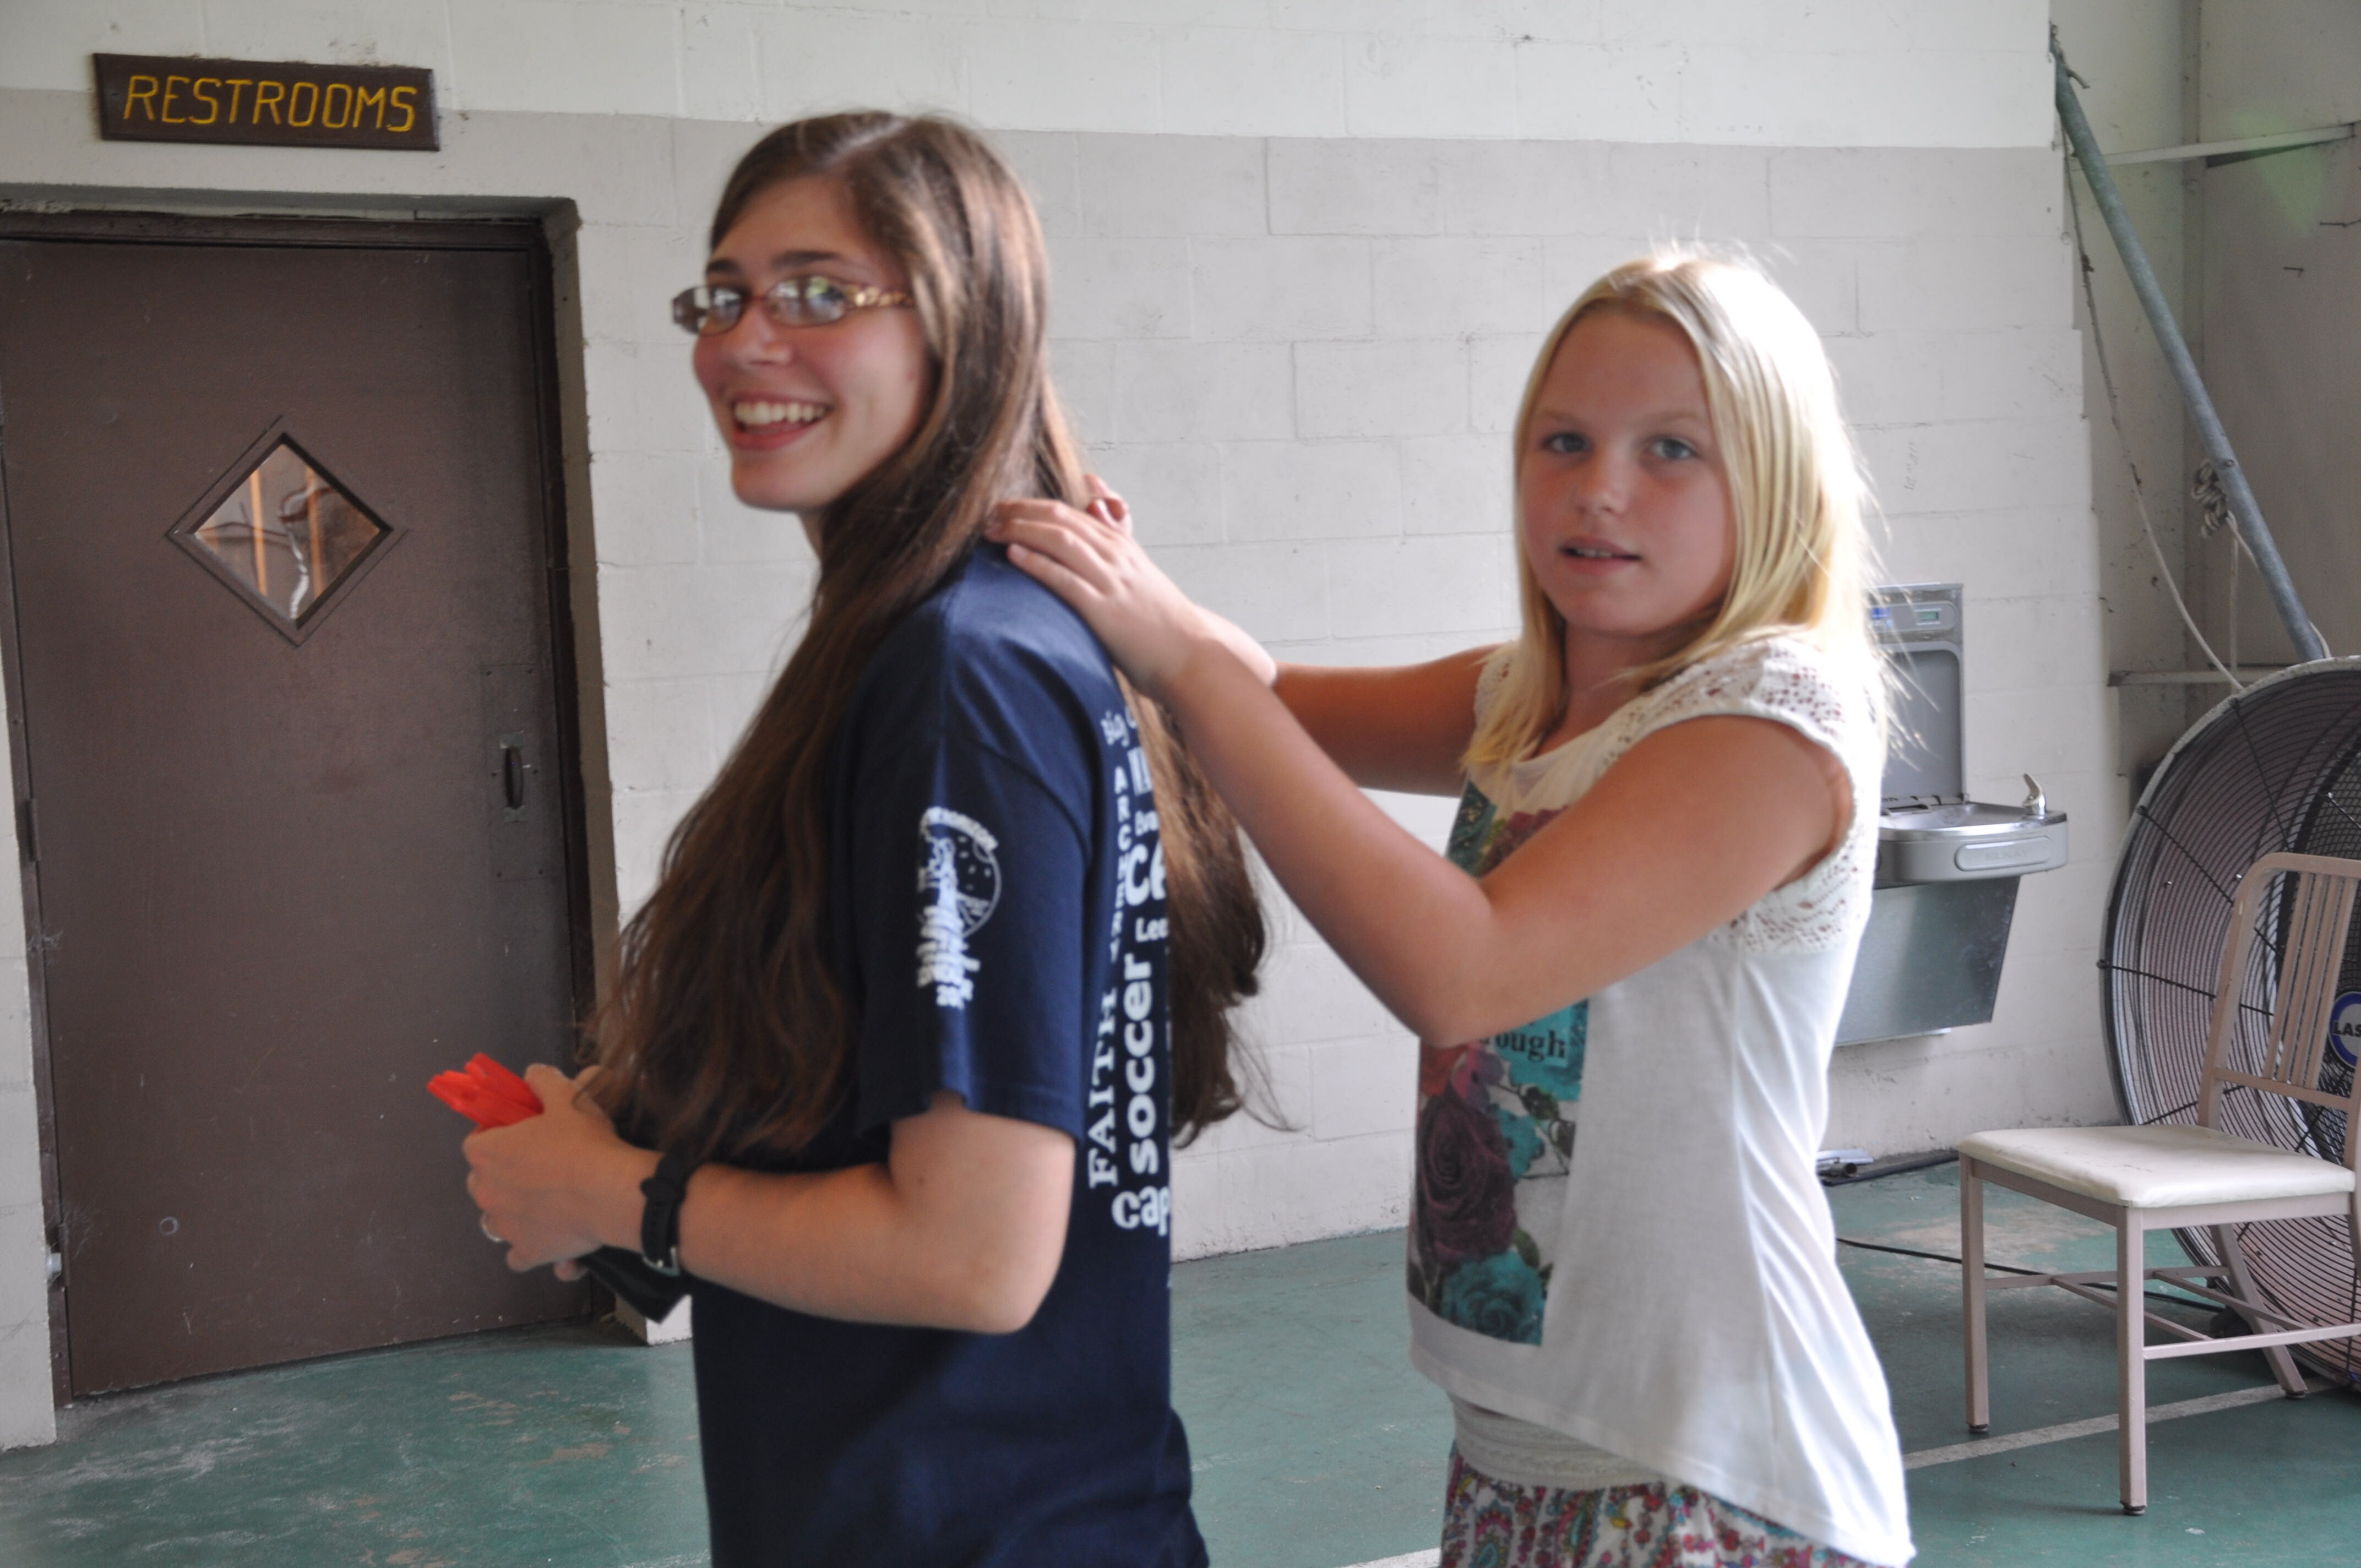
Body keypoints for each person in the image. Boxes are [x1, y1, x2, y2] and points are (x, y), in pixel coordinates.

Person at [989, 253, 1914, 1567]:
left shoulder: (1770, 719)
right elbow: (1277, 699)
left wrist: (1181, 661)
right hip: (1520, 1443)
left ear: (1771, 480)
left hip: (1713, 1465)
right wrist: (1130, 585)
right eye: (1563, 439)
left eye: (1670, 449)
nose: (1599, 487)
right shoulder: (1529, 696)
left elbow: (1465, 970)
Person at [461, 112, 1265, 1568]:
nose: (743, 342)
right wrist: (657, 1117)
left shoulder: (963, 672)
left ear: (963, 325)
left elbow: (975, 1254)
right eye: (723, 295)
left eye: (819, 293)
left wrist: (626, 1194)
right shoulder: (949, 638)